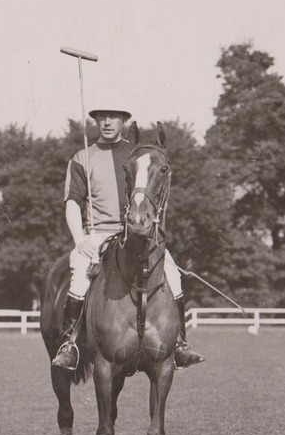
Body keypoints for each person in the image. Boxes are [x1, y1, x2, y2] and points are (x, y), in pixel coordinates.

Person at [51, 106, 204, 372]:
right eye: (101, 117)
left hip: (134, 234)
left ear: (124, 120)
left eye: (114, 117)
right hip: (97, 235)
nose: (107, 122)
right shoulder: (82, 157)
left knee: (173, 272)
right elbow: (73, 203)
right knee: (78, 274)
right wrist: (80, 239)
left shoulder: (136, 154)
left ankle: (179, 343)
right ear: (96, 120)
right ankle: (70, 344)